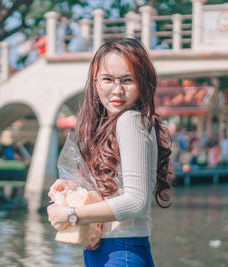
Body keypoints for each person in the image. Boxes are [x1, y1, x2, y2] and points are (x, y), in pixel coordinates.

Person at [47, 38, 172, 266]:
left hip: (121, 251)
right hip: (106, 250)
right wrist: (76, 188)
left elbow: (136, 201)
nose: (117, 90)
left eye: (127, 80)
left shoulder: (130, 120)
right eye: (107, 79)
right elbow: (119, 190)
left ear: (143, 82)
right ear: (95, 83)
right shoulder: (115, 123)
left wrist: (70, 214)